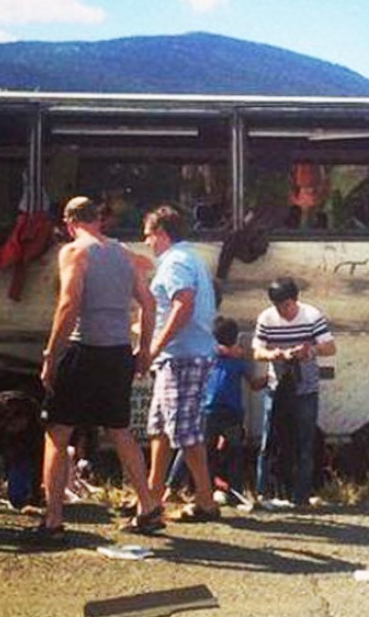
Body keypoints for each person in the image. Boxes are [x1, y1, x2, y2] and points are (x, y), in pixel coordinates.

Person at [39, 196, 161, 538]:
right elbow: (148, 305)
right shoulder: (124, 254)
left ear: (69, 223)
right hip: (119, 351)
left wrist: (51, 355)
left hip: (84, 349)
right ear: (99, 220)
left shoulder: (74, 252)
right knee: (120, 430)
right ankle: (149, 507)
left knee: (58, 432)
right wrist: (144, 350)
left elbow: (69, 304)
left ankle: (53, 521)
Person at [142, 204, 220, 522]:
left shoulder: (174, 262)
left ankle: (205, 501)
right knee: (159, 428)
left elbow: (182, 304)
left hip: (182, 355)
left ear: (161, 233)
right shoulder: (190, 257)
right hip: (179, 355)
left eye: (147, 235)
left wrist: (154, 345)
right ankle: (150, 496)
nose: (146, 242)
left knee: (185, 433)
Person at [253, 277, 336, 507]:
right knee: (268, 441)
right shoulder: (266, 318)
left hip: (305, 388)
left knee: (305, 442)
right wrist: (273, 355)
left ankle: (301, 496)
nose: (282, 310)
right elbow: (257, 350)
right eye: (278, 306)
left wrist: (309, 350)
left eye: (286, 305)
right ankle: (263, 494)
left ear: (295, 301)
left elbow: (330, 347)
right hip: (276, 387)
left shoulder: (311, 315)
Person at [165, 316, 266, 504]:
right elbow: (254, 384)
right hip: (232, 412)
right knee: (234, 452)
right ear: (235, 338)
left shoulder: (208, 355)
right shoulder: (238, 361)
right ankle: (235, 492)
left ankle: (173, 486)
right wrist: (269, 379)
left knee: (192, 448)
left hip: (208, 410)